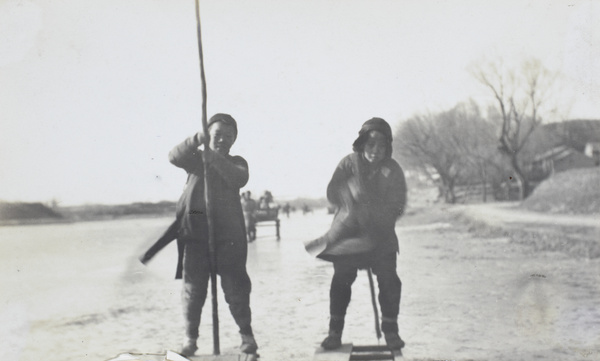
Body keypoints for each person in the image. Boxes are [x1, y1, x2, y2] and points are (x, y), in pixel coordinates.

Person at [305, 117, 407, 351]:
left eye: (381, 146)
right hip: (348, 234)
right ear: (361, 145)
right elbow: (332, 193)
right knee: (341, 280)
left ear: (388, 148)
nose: (375, 151)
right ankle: (334, 333)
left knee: (390, 280)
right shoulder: (348, 163)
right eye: (370, 145)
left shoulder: (392, 170)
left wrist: (376, 215)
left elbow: (399, 205)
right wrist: (348, 190)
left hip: (381, 236)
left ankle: (390, 330)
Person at [168, 113, 257, 357]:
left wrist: (214, 157)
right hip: (195, 235)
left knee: (236, 289)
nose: (222, 140)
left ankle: (247, 337)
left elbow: (239, 177)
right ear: (209, 135)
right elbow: (173, 156)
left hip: (228, 239)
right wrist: (197, 139)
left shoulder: (237, 162)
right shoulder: (196, 159)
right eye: (217, 135)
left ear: (234, 140)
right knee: (193, 291)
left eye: (228, 136)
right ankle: (190, 340)